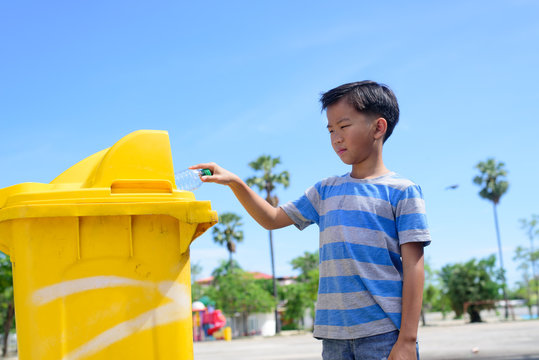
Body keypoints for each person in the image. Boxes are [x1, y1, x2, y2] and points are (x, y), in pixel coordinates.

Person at [192, 80, 431, 360]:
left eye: (343, 127)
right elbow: (271, 219)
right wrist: (235, 182)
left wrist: (407, 340)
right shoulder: (325, 190)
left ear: (378, 127)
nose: (336, 138)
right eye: (330, 130)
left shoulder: (403, 191)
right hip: (333, 337)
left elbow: (414, 268)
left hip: (383, 336)